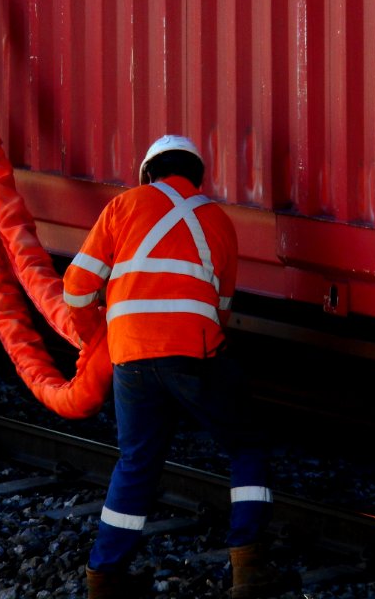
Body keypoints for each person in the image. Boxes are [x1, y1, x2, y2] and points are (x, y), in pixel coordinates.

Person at [63, 135, 300, 599]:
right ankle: (248, 565)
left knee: (136, 462)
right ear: (196, 176)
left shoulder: (124, 205)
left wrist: (97, 337)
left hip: (129, 355)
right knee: (247, 444)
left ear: (148, 173)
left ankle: (104, 578)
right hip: (194, 352)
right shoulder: (219, 221)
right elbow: (222, 308)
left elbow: (76, 287)